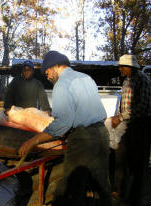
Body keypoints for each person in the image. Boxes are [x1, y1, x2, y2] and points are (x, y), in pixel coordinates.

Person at [19, 51, 112, 206]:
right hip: (102, 135)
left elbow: (63, 122)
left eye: (47, 71)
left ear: (55, 66)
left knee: (70, 190)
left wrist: (33, 141)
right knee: (101, 186)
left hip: (83, 140)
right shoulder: (85, 78)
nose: (47, 75)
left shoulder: (62, 84)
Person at [111, 54, 151, 206]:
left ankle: (135, 197)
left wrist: (121, 117)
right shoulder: (127, 80)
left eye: (122, 66)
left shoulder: (143, 80)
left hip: (141, 125)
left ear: (130, 67)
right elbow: (125, 105)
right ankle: (120, 192)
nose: (120, 69)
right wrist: (119, 116)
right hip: (129, 125)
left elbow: (142, 107)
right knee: (121, 158)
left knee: (138, 163)